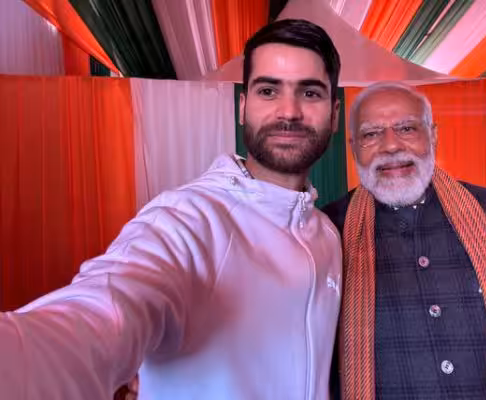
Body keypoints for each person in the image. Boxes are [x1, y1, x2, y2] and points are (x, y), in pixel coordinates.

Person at [0, 19, 343, 400]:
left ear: (335, 114)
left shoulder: (328, 233)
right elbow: (105, 308)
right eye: (268, 90)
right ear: (243, 107)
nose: (289, 111)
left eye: (309, 93)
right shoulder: (187, 218)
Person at [323, 82, 486, 400]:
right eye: (371, 134)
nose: (391, 145)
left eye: (407, 128)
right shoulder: (328, 231)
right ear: (353, 147)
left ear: (433, 135)